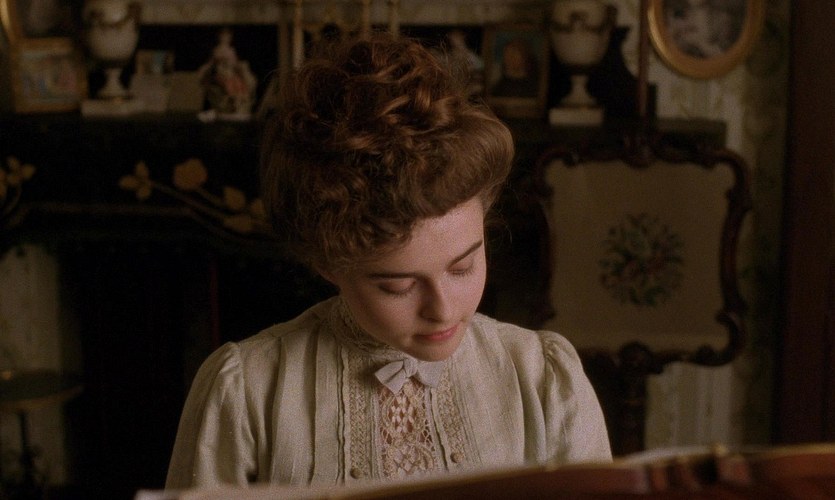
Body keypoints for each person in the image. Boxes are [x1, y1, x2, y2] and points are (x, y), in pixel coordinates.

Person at [165, 32, 611, 491]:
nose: (443, 309)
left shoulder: (542, 378)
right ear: (328, 264)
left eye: (463, 267)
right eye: (398, 286)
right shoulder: (248, 390)